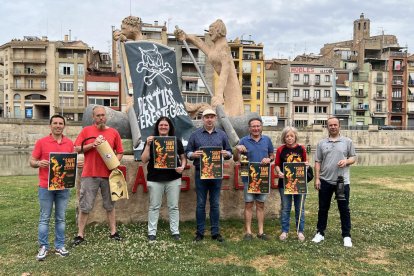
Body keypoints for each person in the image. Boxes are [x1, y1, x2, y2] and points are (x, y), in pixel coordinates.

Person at [73, 105, 124, 245]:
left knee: (110, 205)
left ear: (106, 116)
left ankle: (113, 232)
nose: (101, 118)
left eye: (103, 115)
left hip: (108, 175)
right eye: (98, 116)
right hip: (89, 174)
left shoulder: (114, 132)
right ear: (93, 117)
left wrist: (114, 162)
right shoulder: (86, 131)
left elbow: (120, 152)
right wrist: (92, 145)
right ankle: (80, 234)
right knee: (85, 205)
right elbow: (76, 148)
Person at [174, 19, 244, 117]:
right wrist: (186, 36)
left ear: (219, 31)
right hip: (225, 93)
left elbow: (225, 72)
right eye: (209, 30)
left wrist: (219, 95)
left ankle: (195, 108)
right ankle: (195, 108)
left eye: (212, 30)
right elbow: (200, 42)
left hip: (233, 95)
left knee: (232, 117)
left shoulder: (224, 49)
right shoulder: (215, 49)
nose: (209, 32)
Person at [30, 115, 74, 260]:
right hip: (45, 186)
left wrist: (77, 163)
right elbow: (32, 161)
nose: (58, 125)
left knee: (60, 218)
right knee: (44, 218)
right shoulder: (41, 142)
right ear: (50, 126)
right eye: (55, 123)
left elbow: (71, 162)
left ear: (64, 126)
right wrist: (38, 163)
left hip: (63, 186)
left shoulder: (69, 143)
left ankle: (59, 246)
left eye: (60, 123)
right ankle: (43, 247)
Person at [185, 109, 232, 242]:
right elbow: (187, 151)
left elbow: (229, 152)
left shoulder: (222, 135)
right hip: (201, 172)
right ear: (202, 119)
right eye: (207, 117)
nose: (209, 119)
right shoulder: (195, 135)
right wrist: (192, 155)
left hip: (216, 173)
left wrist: (226, 154)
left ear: (215, 118)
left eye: (211, 117)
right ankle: (200, 232)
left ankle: (215, 232)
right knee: (200, 203)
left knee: (215, 203)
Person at [312, 117, 356, 247]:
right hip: (325, 181)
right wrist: (317, 178)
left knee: (344, 209)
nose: (332, 127)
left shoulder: (347, 142)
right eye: (330, 125)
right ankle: (320, 233)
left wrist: (346, 161)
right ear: (327, 127)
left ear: (339, 126)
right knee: (323, 208)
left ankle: (346, 235)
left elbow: (353, 157)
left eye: (335, 125)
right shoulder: (321, 143)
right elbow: (317, 161)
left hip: (341, 182)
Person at [141, 117, 187, 241]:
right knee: (154, 206)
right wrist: (148, 145)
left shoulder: (176, 141)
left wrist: (182, 167)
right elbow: (144, 160)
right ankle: (152, 233)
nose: (163, 127)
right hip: (155, 178)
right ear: (157, 127)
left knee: (173, 206)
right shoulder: (151, 140)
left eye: (166, 125)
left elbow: (183, 158)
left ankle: (175, 231)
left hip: (173, 178)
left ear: (170, 127)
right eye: (161, 125)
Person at [234, 118, 274, 241]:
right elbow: (236, 159)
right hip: (248, 177)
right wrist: (237, 150)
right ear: (249, 128)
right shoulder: (244, 140)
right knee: (249, 204)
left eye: (258, 126)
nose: (256, 128)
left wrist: (269, 159)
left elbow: (272, 155)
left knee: (261, 204)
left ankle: (261, 232)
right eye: (253, 126)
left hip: (262, 177)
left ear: (261, 127)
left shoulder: (267, 140)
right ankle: (248, 232)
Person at [275, 126, 309, 242]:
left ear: (295, 137)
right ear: (284, 138)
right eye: (287, 136)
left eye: (291, 136)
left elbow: (306, 163)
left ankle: (300, 231)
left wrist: (306, 165)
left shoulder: (302, 149)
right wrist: (279, 172)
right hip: (284, 183)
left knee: (300, 208)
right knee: (286, 208)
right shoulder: (280, 150)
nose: (289, 138)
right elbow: (277, 165)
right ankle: (285, 231)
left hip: (299, 183)